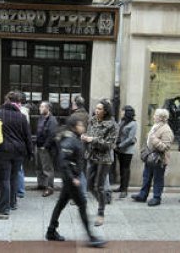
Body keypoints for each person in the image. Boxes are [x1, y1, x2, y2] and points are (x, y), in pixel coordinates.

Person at [46, 116, 106, 248]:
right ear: (74, 126)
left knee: (61, 204)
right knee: (82, 205)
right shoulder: (70, 140)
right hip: (71, 180)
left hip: (71, 178)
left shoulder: (74, 138)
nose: (83, 127)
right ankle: (91, 237)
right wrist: (73, 178)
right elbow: (63, 161)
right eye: (80, 125)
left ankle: (51, 230)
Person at [0, 91, 33, 217]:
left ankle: (3, 208)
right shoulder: (21, 117)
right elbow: (28, 136)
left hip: (1, 151)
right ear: (17, 103)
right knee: (14, 177)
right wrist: (30, 153)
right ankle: (12, 203)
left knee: (4, 179)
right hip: (18, 152)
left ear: (6, 101)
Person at [81, 99, 117, 226]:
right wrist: (85, 137)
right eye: (96, 108)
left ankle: (101, 213)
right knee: (90, 186)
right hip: (91, 156)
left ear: (106, 111)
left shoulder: (112, 125)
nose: (97, 110)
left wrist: (92, 140)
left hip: (104, 159)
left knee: (99, 186)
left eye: (100, 109)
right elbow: (89, 134)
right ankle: (103, 202)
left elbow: (110, 145)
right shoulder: (92, 120)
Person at [131, 108, 174, 207]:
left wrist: (154, 140)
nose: (153, 116)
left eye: (155, 115)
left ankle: (156, 197)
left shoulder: (166, 130)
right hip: (150, 157)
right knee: (146, 176)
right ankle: (142, 195)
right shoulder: (155, 126)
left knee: (158, 178)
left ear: (161, 118)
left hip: (159, 159)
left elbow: (165, 147)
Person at [113, 105, 137, 198]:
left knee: (126, 169)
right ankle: (121, 187)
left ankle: (124, 190)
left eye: (123, 111)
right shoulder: (122, 121)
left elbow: (130, 138)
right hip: (119, 149)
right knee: (121, 168)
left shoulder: (133, 124)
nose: (121, 112)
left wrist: (120, 145)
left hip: (127, 150)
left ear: (127, 112)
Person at [35, 101, 58, 197]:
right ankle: (41, 184)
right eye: (40, 106)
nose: (40, 108)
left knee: (47, 168)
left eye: (42, 107)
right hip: (38, 146)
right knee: (39, 166)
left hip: (46, 148)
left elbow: (52, 135)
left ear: (48, 109)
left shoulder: (52, 120)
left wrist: (45, 146)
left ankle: (49, 187)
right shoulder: (41, 118)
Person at [71, 96, 89, 200]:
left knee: (79, 170)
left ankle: (81, 195)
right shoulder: (87, 115)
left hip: (77, 145)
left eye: (73, 103)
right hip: (84, 145)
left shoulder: (75, 116)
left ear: (75, 104)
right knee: (81, 169)